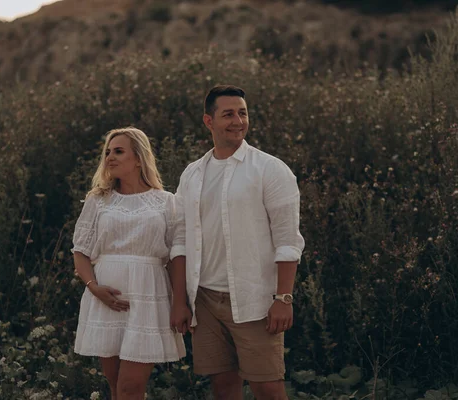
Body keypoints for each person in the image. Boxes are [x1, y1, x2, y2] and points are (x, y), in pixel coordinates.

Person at [169, 85, 305, 400]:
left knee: (268, 388)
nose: (237, 121)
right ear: (208, 121)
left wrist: (283, 297)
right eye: (228, 114)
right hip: (204, 300)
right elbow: (179, 239)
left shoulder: (270, 169)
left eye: (242, 113)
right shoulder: (192, 174)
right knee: (223, 388)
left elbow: (288, 239)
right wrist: (180, 300)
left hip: (253, 300)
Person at [71, 127, 185, 400]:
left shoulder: (167, 202)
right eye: (107, 152)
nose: (110, 157)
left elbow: (176, 257)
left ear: (138, 158)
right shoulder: (98, 200)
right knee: (115, 386)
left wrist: (180, 301)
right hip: (105, 298)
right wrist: (94, 287)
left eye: (119, 151)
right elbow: (80, 251)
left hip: (148, 297)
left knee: (130, 387)